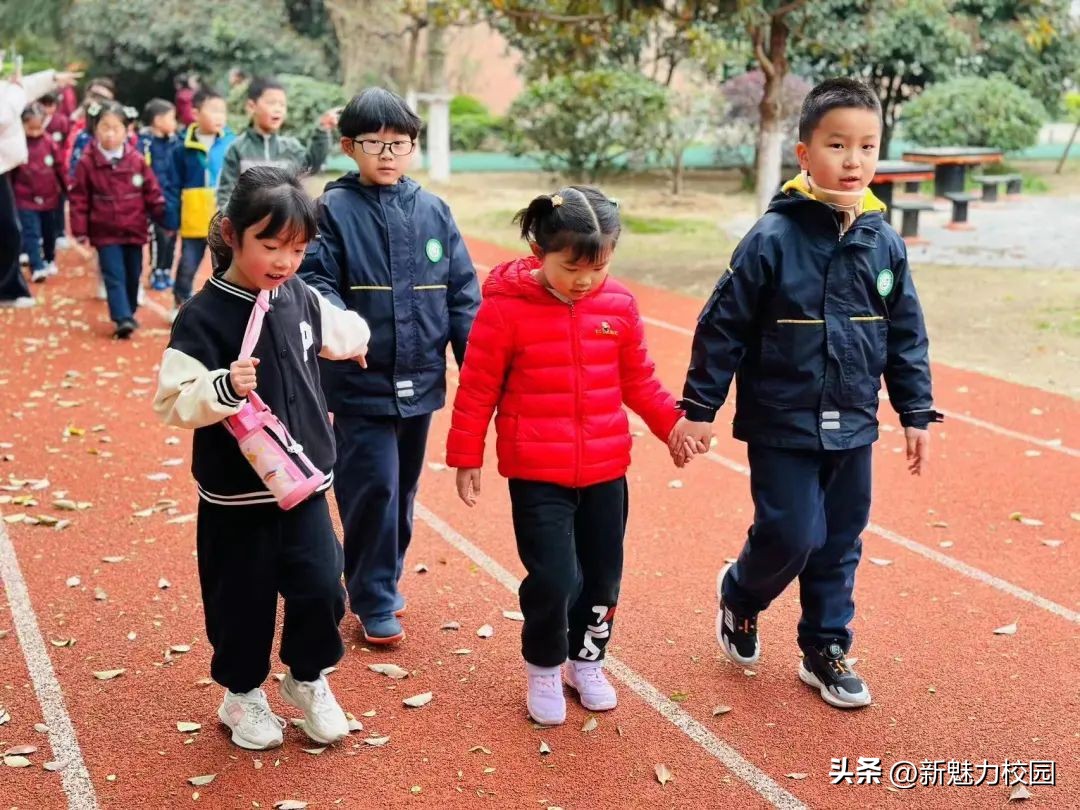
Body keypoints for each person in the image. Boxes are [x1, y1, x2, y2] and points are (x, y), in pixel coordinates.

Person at [673, 78, 942, 709]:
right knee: (792, 534)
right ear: (804, 154)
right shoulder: (771, 238)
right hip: (781, 421)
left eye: (867, 147)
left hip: (853, 422)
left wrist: (915, 410)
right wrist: (699, 409)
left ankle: (824, 647)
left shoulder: (884, 240)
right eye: (838, 145)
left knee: (841, 538)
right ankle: (741, 593)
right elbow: (723, 327)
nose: (854, 161)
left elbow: (906, 333)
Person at [446, 186, 697, 726]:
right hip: (537, 472)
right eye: (571, 267)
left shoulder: (619, 306)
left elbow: (640, 381)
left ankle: (588, 661)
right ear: (541, 252)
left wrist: (672, 425)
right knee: (556, 578)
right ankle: (542, 665)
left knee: (604, 578)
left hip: (607, 470)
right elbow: (477, 388)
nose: (585, 279)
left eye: (599, 266)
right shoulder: (505, 309)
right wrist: (466, 455)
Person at [152, 166, 371, 751]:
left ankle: (307, 678)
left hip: (301, 484)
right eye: (270, 246)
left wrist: (361, 341)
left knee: (323, 587)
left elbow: (333, 329)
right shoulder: (203, 315)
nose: (284, 261)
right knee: (240, 599)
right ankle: (242, 694)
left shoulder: (295, 293)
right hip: (235, 495)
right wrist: (223, 385)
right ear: (232, 233)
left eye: (298, 249)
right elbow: (172, 400)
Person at [298, 87, 480, 646]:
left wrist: (473, 364)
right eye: (374, 142)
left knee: (400, 491)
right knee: (371, 485)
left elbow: (462, 293)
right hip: (359, 382)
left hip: (422, 380)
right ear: (349, 146)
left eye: (399, 143)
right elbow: (316, 283)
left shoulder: (433, 210)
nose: (387, 153)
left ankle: (377, 579)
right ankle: (374, 595)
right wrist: (346, 331)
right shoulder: (330, 210)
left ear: (413, 147)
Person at [69, 100, 166, 338]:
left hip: (134, 228)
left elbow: (151, 191)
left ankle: (129, 311)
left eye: (116, 128)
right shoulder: (87, 162)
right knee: (114, 275)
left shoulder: (136, 160)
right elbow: (79, 197)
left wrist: (163, 215)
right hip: (104, 231)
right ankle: (122, 317)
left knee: (133, 274)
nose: (110, 134)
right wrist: (79, 228)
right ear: (95, 129)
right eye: (105, 127)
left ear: (127, 130)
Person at [0, 62, 79, 307]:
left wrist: (53, 76)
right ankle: (8, 289)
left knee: (9, 231)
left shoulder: (8, 90)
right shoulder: (10, 95)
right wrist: (16, 91)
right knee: (9, 230)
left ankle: (8, 289)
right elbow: (5, 114)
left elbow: (25, 88)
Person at [215, 76, 335, 211]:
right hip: (249, 225)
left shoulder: (291, 148)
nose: (278, 109)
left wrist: (323, 130)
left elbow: (313, 165)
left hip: (284, 223)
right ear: (251, 106)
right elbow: (225, 194)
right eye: (272, 103)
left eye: (282, 104)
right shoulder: (237, 149)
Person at [169, 86, 234, 313]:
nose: (219, 117)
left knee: (225, 264)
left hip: (225, 217)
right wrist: (171, 217)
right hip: (194, 217)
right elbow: (173, 184)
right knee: (188, 263)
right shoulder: (181, 147)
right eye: (213, 110)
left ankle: (225, 306)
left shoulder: (232, 144)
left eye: (222, 111)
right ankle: (179, 301)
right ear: (195, 113)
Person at [12, 103, 66, 282]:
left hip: (50, 195)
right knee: (31, 232)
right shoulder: (17, 144)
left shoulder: (49, 142)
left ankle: (49, 258)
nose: (35, 132)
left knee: (49, 231)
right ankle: (37, 266)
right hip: (25, 197)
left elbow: (60, 167)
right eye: (31, 128)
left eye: (38, 128)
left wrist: (67, 189)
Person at [138, 98, 180, 291]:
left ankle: (166, 269)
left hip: (173, 198)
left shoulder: (175, 141)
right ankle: (156, 270)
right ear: (157, 120)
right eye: (171, 118)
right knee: (158, 236)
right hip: (153, 200)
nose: (175, 123)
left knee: (172, 237)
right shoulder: (144, 143)